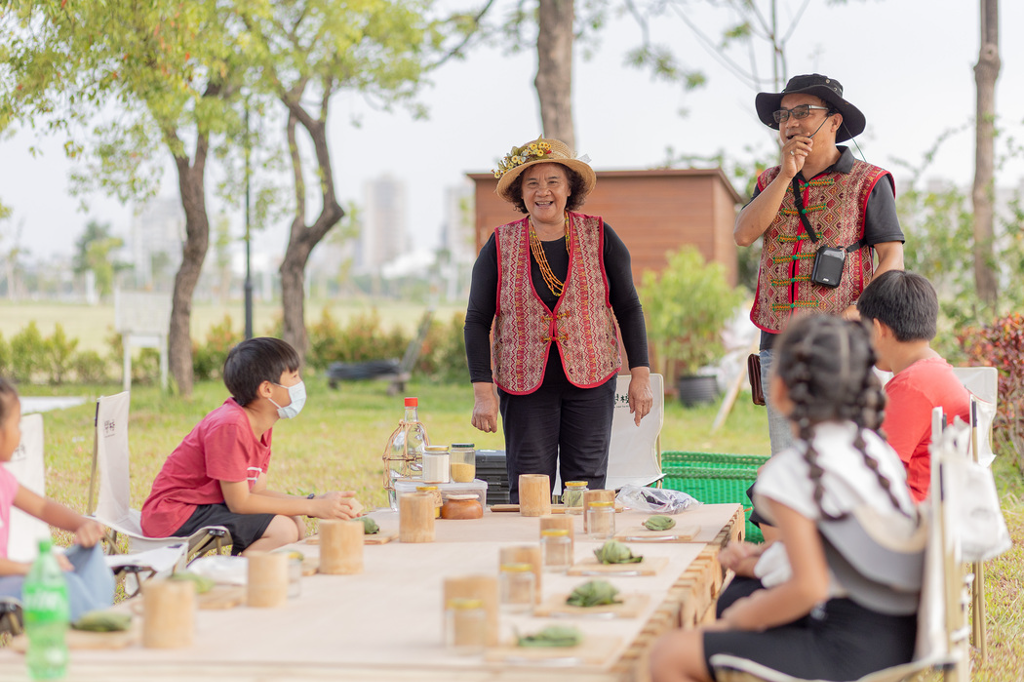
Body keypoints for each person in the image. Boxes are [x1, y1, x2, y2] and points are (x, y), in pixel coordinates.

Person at [650, 315, 920, 682]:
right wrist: (763, 559)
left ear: (777, 389)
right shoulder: (874, 451)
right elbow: (836, 551)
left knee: (670, 653)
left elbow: (808, 587)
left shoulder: (791, 470)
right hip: (897, 641)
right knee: (732, 603)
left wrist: (741, 619)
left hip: (844, 652)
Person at [465, 136, 653, 503]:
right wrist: (483, 393)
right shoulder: (500, 244)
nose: (543, 191)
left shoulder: (600, 236)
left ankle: (580, 541)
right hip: (524, 386)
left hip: (591, 381)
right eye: (532, 183)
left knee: (586, 487)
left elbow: (629, 307)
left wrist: (641, 376)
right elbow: (476, 321)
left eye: (553, 181)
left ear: (570, 188)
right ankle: (532, 542)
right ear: (521, 192)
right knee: (529, 488)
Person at [734, 73, 905, 457]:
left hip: (842, 342)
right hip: (778, 342)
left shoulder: (869, 181)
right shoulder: (769, 180)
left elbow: (893, 257)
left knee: (845, 452)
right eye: (784, 114)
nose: (790, 123)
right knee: (789, 455)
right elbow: (743, 235)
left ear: (834, 120)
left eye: (803, 112)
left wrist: (858, 310)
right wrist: (786, 175)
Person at [141, 337, 361, 556]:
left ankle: (250, 570)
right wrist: (313, 507)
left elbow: (257, 491)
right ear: (267, 389)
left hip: (203, 507)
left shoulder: (262, 423)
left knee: (295, 523)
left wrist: (315, 501)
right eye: (294, 376)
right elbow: (240, 502)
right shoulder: (231, 425)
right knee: (283, 531)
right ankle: (232, 575)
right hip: (173, 514)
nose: (300, 383)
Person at [0, 378, 114, 621]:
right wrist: (30, 569)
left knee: (89, 553)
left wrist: (83, 524)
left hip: (13, 576)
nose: (20, 434)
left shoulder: (3, 479)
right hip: (6, 584)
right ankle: (97, 628)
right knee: (63, 583)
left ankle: (96, 624)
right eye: (16, 425)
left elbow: (42, 507)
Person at [857, 270, 970, 501]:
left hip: (908, 511)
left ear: (878, 329)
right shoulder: (934, 372)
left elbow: (872, 467)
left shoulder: (911, 386)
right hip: (933, 505)